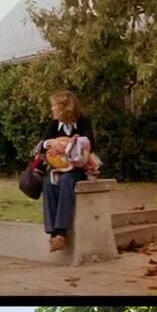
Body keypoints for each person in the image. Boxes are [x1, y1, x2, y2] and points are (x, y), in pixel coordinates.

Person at [39, 91, 96, 252]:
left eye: (54, 106)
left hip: (76, 168)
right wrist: (51, 143)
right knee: (49, 183)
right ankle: (52, 233)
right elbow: (41, 144)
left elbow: (90, 143)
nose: (52, 109)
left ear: (64, 108)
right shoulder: (53, 125)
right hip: (56, 168)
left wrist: (67, 145)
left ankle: (61, 232)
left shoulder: (83, 122)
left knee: (66, 182)